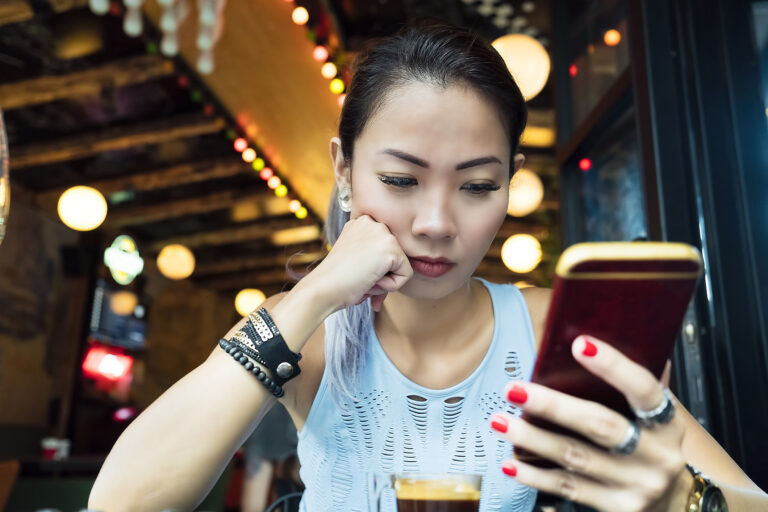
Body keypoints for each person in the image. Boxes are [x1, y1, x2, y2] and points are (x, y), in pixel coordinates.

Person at [89, 21, 768, 511]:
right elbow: (119, 502)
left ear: (510, 183)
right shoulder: (314, 336)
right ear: (345, 172)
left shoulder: (549, 331)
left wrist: (687, 501)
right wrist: (316, 291)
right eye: (401, 180)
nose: (439, 222)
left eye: (477, 186)